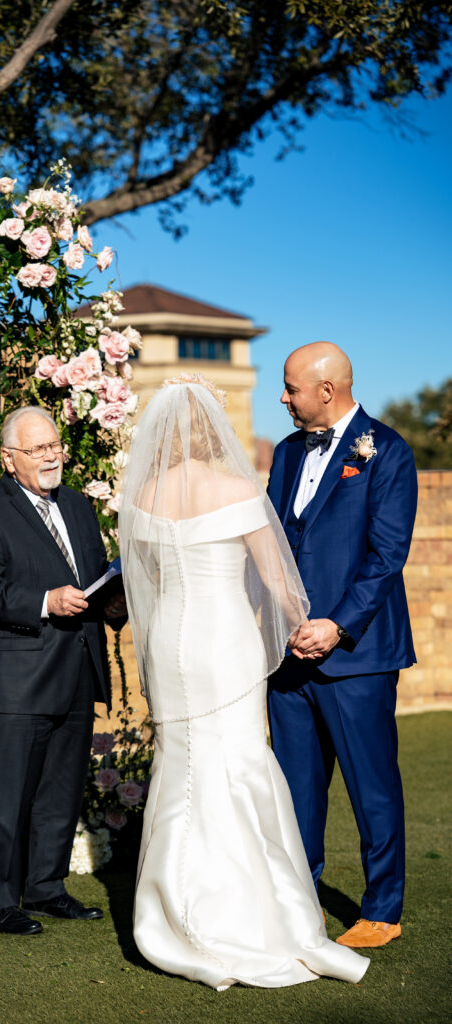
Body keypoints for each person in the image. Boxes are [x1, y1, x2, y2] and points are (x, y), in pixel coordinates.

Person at [118, 375, 368, 989]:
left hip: (170, 638)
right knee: (237, 761)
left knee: (183, 767)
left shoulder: (144, 493)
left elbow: (143, 582)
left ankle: (177, 916)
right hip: (222, 636)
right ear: (214, 432)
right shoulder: (235, 486)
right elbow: (276, 580)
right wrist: (304, 627)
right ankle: (261, 917)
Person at [266, 342, 417, 949]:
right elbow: (271, 542)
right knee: (296, 790)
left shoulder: (388, 452)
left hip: (356, 654)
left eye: (290, 387)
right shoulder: (282, 453)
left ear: (325, 390)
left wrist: (335, 625)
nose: (282, 398)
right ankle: (298, 902)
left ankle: (381, 908)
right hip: (287, 656)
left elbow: (386, 557)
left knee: (371, 785)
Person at [0, 406, 122, 936]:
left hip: (77, 667)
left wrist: (116, 599)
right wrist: (45, 600)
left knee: (60, 792)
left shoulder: (76, 505)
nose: (52, 455)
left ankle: (46, 888)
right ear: (8, 459)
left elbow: (93, 578)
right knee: (5, 796)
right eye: (38, 449)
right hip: (16, 675)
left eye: (55, 445)